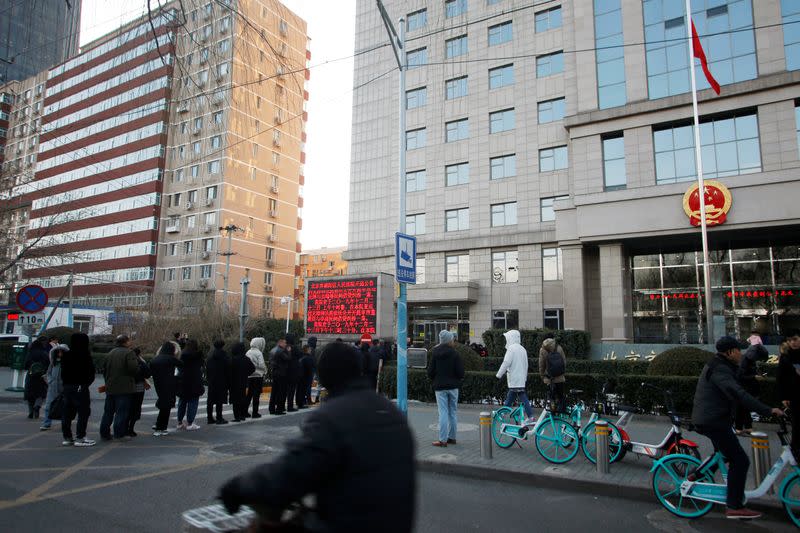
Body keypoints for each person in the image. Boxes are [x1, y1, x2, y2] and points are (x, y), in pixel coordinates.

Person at [219, 341, 416, 532]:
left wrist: (238, 488)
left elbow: (289, 474)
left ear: (323, 376)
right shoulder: (392, 412)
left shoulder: (332, 417)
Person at [691, 335, 783, 520]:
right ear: (730, 352)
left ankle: (697, 476)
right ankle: (733, 505)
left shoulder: (723, 366)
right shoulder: (720, 369)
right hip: (713, 421)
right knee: (740, 460)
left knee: (724, 454)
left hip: (714, 419)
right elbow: (738, 393)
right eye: (738, 350)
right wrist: (768, 410)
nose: (740, 354)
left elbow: (739, 388)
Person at [427, 330, 464, 447]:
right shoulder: (455, 354)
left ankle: (442, 440)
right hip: (453, 387)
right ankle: (452, 438)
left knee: (442, 412)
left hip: (440, 387)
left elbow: (430, 371)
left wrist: (435, 378)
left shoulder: (435, 353)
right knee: (452, 412)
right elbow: (461, 372)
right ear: (449, 340)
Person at [99, 335, 138, 440]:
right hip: (124, 387)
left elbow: (104, 369)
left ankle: (104, 433)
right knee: (122, 411)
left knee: (108, 411)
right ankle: (119, 433)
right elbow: (133, 368)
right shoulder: (129, 353)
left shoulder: (110, 353)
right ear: (125, 342)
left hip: (110, 386)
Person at [61, 333, 96, 447]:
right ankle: (80, 437)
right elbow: (91, 373)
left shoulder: (66, 355)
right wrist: (85, 384)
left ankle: (67, 437)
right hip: (81, 386)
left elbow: (62, 373)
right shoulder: (85, 355)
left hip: (67, 386)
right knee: (83, 412)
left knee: (67, 412)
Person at [496, 329, 534, 423]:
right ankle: (530, 416)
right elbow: (526, 365)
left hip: (514, 378)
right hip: (521, 379)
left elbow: (506, 363)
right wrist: (524, 377)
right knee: (518, 395)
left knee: (512, 396)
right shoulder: (522, 349)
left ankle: (502, 414)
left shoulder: (511, 349)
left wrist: (498, 375)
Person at [149, 341, 182, 436]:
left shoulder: (155, 359)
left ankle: (158, 424)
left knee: (163, 404)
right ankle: (161, 428)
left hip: (158, 384)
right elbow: (181, 364)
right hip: (169, 384)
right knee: (166, 407)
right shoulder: (170, 359)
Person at [735, 343, 769, 435]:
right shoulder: (745, 361)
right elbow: (740, 376)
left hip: (746, 388)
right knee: (741, 408)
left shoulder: (748, 360)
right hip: (743, 388)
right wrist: (754, 377)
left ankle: (747, 427)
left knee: (745, 408)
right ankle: (739, 428)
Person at [778, 328, 800, 457]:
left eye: (795, 339)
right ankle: (796, 449)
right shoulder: (786, 357)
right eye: (790, 340)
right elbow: (781, 378)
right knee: (797, 424)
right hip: (794, 396)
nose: (793, 342)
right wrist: (783, 397)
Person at [176, 338, 205, 430]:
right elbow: (201, 366)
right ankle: (190, 423)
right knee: (193, 402)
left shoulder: (182, 355)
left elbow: (179, 367)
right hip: (194, 382)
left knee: (182, 402)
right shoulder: (198, 355)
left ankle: (179, 422)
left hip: (183, 381)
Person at [40, 343, 67, 430]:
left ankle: (65, 423)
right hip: (52, 387)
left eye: (61, 352)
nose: (60, 354)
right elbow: (48, 373)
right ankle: (46, 423)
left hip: (63, 388)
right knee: (48, 406)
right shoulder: (53, 363)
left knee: (64, 406)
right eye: (58, 352)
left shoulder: (68, 363)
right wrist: (50, 381)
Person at [127, 347, 151, 437]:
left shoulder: (127, 361)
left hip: (127, 388)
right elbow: (148, 374)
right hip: (138, 388)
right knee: (136, 408)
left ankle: (124, 427)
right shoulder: (141, 362)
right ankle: (131, 429)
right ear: (139, 354)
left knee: (127, 407)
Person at [539, 334, 567, 412]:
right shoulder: (559, 347)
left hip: (549, 378)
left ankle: (552, 413)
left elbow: (541, 365)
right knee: (561, 396)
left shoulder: (543, 349)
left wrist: (542, 376)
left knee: (551, 397)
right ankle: (562, 413)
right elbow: (564, 362)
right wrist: (562, 373)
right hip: (560, 377)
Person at [206, 339, 232, 425]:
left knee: (210, 400)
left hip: (212, 380)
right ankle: (219, 417)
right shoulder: (224, 355)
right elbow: (228, 368)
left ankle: (209, 418)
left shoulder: (210, 355)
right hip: (222, 380)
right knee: (219, 401)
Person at [24, 336, 50, 419]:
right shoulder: (44, 353)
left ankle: (31, 412)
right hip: (41, 376)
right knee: (41, 393)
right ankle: (37, 406)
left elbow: (26, 364)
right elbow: (48, 364)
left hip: (31, 375)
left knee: (30, 394)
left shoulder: (30, 353)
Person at [230, 342, 255, 422]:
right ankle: (242, 415)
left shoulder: (233, 359)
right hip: (243, 381)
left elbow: (228, 371)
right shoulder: (246, 359)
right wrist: (246, 374)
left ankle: (237, 416)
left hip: (234, 381)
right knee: (242, 398)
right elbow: (252, 368)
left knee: (235, 400)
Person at [268, 335, 290, 415]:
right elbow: (288, 359)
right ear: (280, 342)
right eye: (284, 342)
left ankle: (271, 408)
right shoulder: (281, 351)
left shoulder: (272, 350)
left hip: (274, 372)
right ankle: (279, 409)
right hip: (281, 373)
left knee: (274, 392)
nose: (286, 344)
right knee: (281, 391)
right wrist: (288, 351)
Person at [245, 337, 267, 418]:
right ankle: (255, 412)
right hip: (258, 376)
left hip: (250, 376)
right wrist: (265, 370)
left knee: (249, 394)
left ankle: (245, 411)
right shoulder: (259, 353)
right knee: (256, 395)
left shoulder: (248, 352)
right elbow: (261, 364)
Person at [285, 334, 301, 412]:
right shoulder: (294, 348)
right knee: (291, 390)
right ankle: (290, 406)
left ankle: (281, 406)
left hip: (285, 371)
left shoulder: (284, 347)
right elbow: (300, 355)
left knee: (285, 390)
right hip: (293, 371)